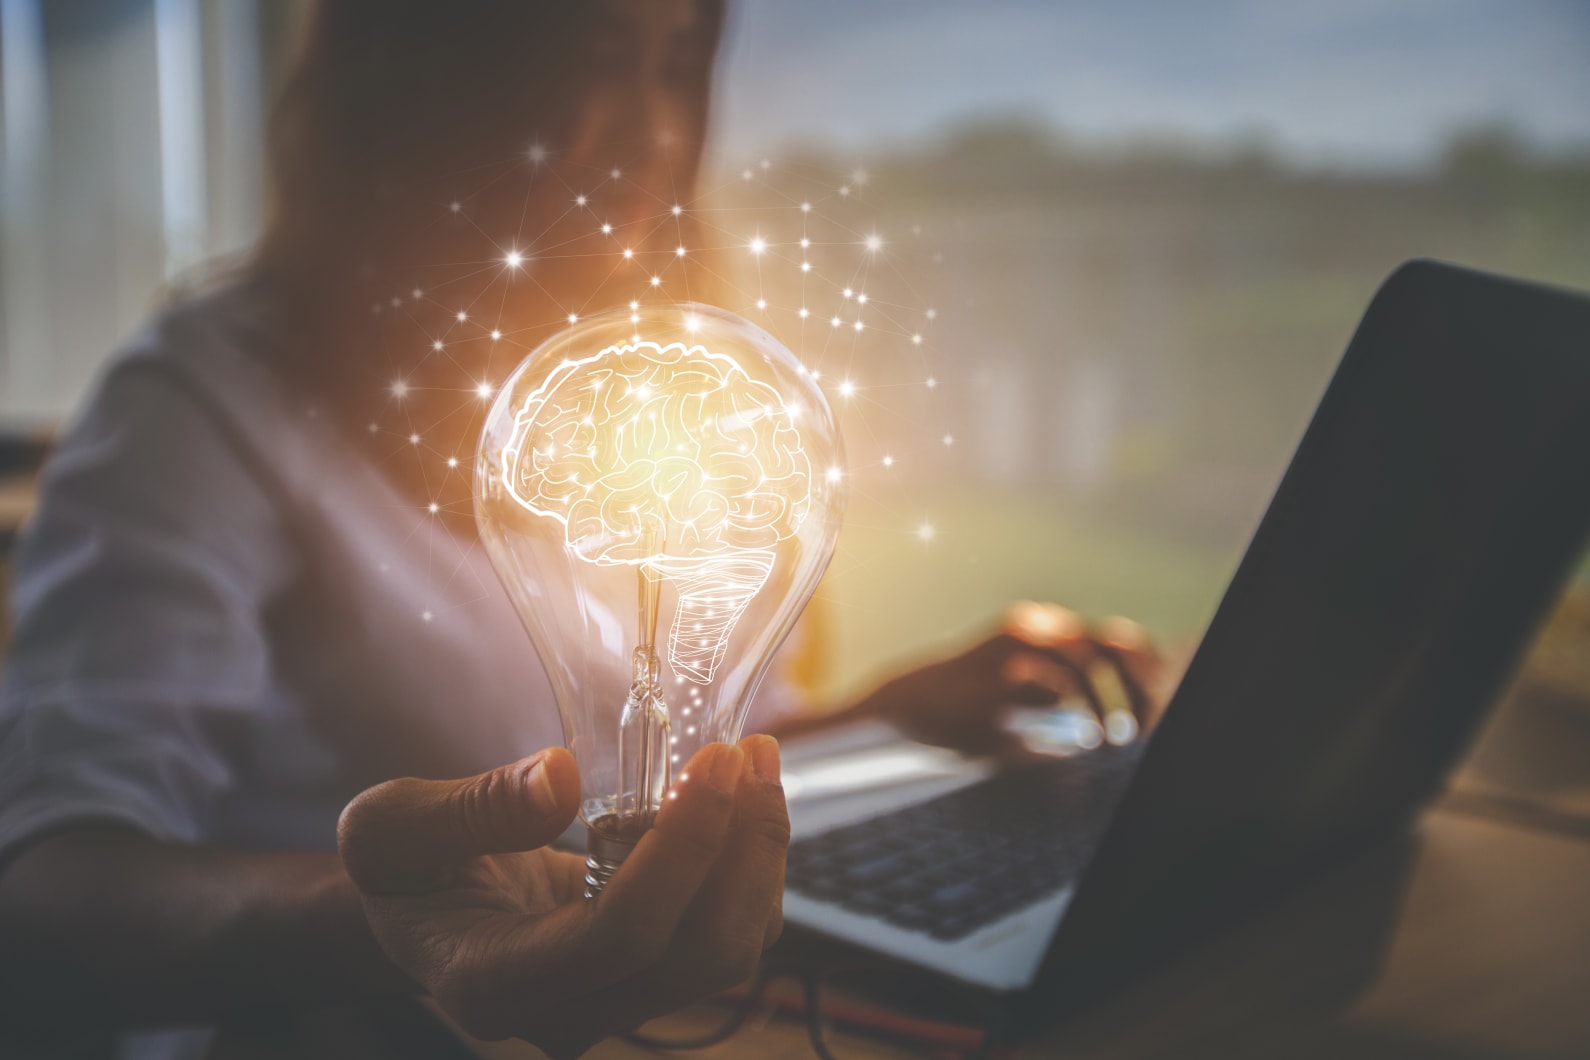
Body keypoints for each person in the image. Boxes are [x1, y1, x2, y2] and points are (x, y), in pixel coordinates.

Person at [0, 3, 1161, 1057]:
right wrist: (379, 922)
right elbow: (42, 885)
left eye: (677, 64)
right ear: (428, 70)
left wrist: (886, 715)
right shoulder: (198, 407)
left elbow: (692, 748)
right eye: (594, 57)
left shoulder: (656, 388)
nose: (648, 131)